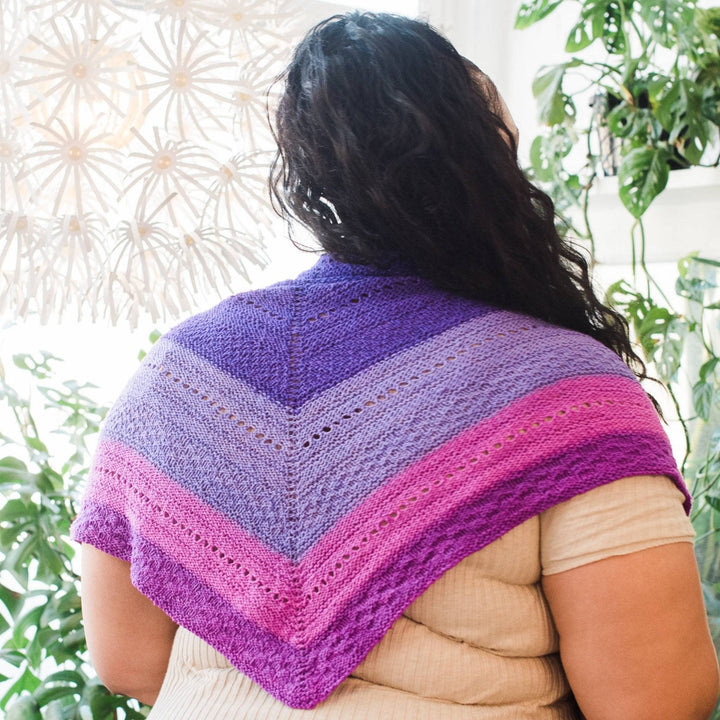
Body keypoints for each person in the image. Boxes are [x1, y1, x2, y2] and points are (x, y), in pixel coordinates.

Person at [72, 12, 719, 720]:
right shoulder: (568, 393)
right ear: (490, 166)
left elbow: (125, 659)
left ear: (304, 175)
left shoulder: (182, 375)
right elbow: (654, 698)